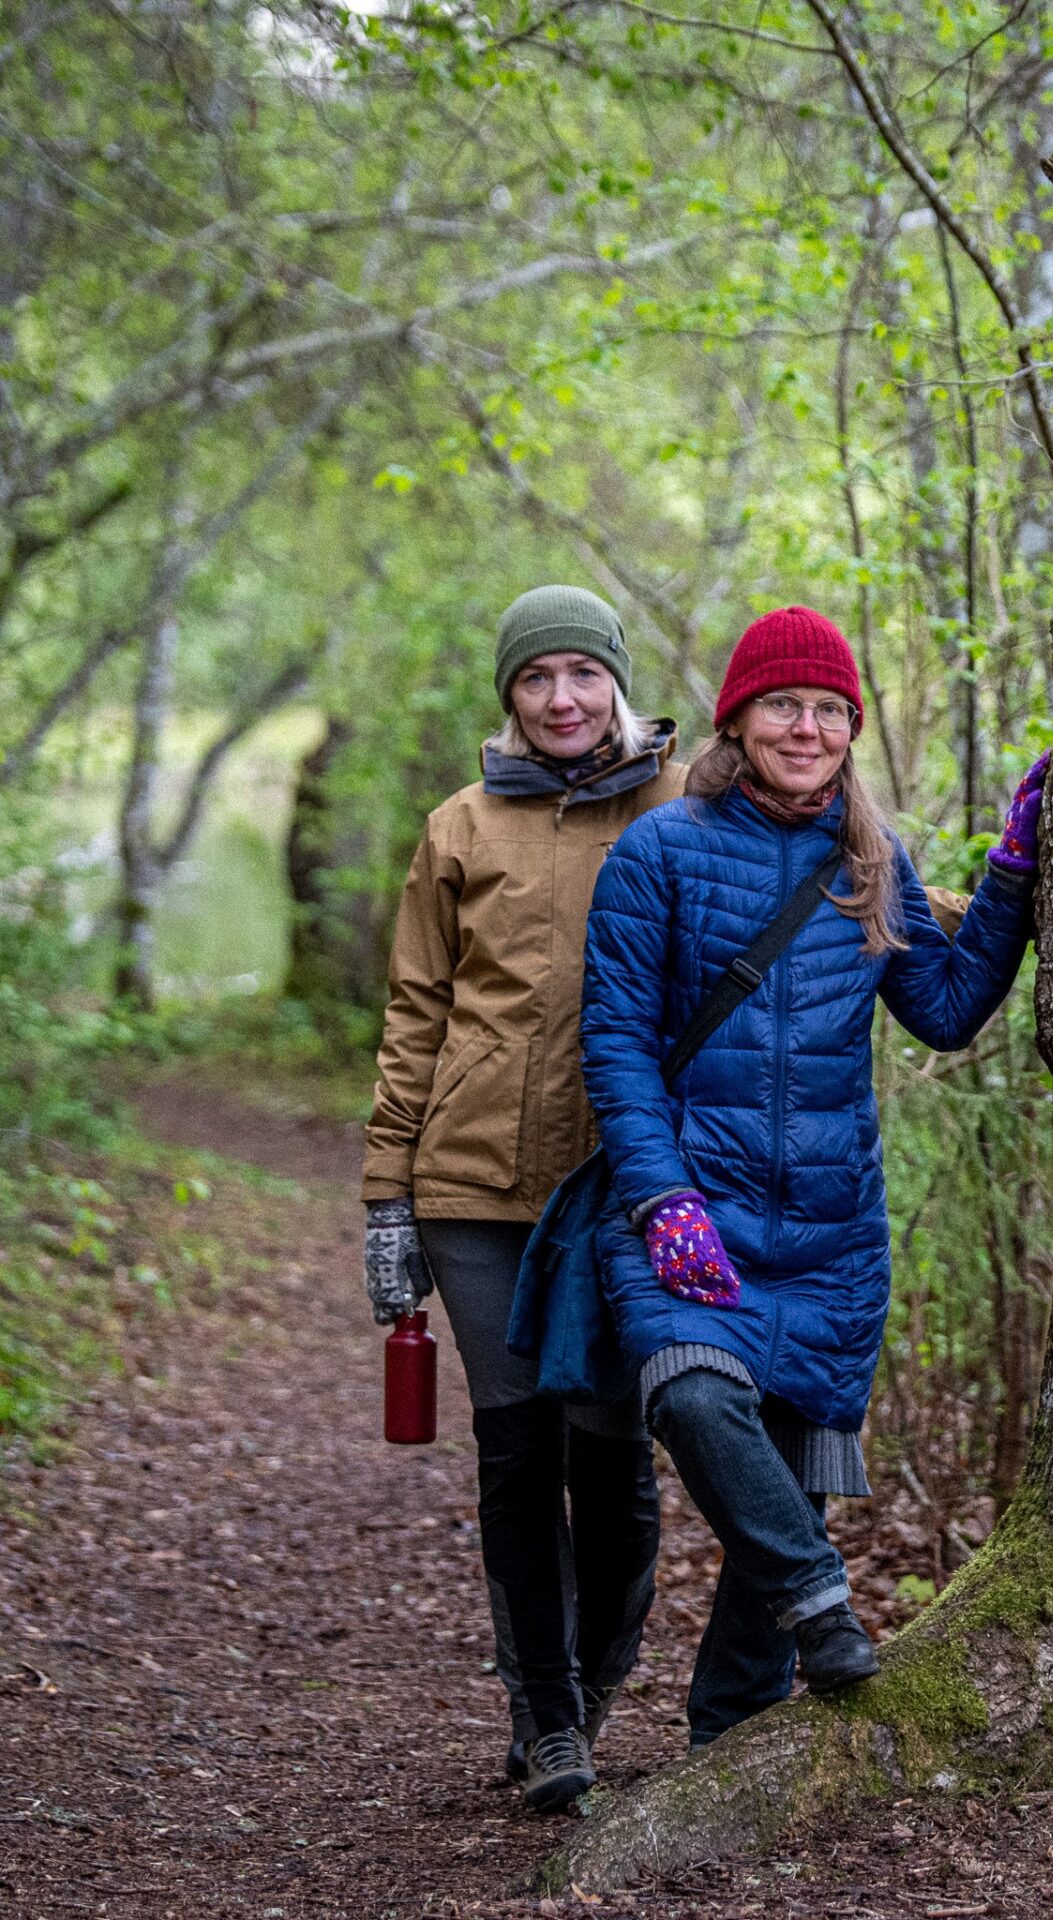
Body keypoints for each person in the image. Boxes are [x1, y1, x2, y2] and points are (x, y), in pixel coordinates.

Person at [577, 604, 1048, 1748]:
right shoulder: (662, 851)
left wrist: (1016, 872)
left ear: (851, 727)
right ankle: (822, 1595)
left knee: (782, 1485)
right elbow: (617, 1040)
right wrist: (661, 1197)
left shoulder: (873, 859)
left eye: (830, 711)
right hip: (691, 1208)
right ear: (738, 719)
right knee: (692, 1394)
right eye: (784, 706)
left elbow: (942, 1010)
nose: (808, 728)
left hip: (832, 1233)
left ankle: (727, 1740)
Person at [360, 584, 684, 1812]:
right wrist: (390, 1194)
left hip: (623, 1185)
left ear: (617, 685)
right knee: (514, 1452)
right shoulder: (458, 827)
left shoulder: (682, 805)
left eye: (583, 676)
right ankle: (543, 1713)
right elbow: (415, 1016)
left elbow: (824, 885)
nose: (562, 699)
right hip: (474, 1187)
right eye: (538, 679)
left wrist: (997, 902)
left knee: (612, 1454)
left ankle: (597, 1680)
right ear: (510, 694)